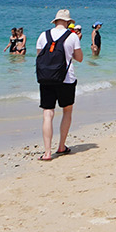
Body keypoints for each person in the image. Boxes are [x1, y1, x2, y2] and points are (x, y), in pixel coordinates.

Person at [35, 9, 83, 161]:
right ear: (68, 22)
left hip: (46, 79)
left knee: (47, 114)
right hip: (66, 79)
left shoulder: (44, 35)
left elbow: (39, 55)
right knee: (67, 111)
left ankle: (47, 153)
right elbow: (79, 58)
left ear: (55, 21)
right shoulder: (73, 36)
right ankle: (61, 146)